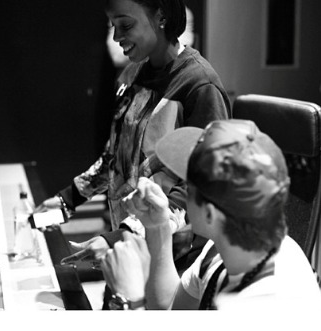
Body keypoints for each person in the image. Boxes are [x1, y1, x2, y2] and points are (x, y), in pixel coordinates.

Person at [36, 0, 231, 307]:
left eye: (125, 25)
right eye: (113, 26)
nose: (116, 37)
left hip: (174, 265)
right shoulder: (132, 74)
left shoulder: (199, 85)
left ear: (161, 17)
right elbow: (115, 156)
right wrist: (68, 200)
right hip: (130, 247)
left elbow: (199, 188)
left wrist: (119, 237)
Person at [100, 119, 321, 310]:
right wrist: (157, 227)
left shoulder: (265, 298)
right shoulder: (223, 249)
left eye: (189, 185)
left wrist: (128, 298)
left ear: (210, 213)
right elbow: (170, 307)